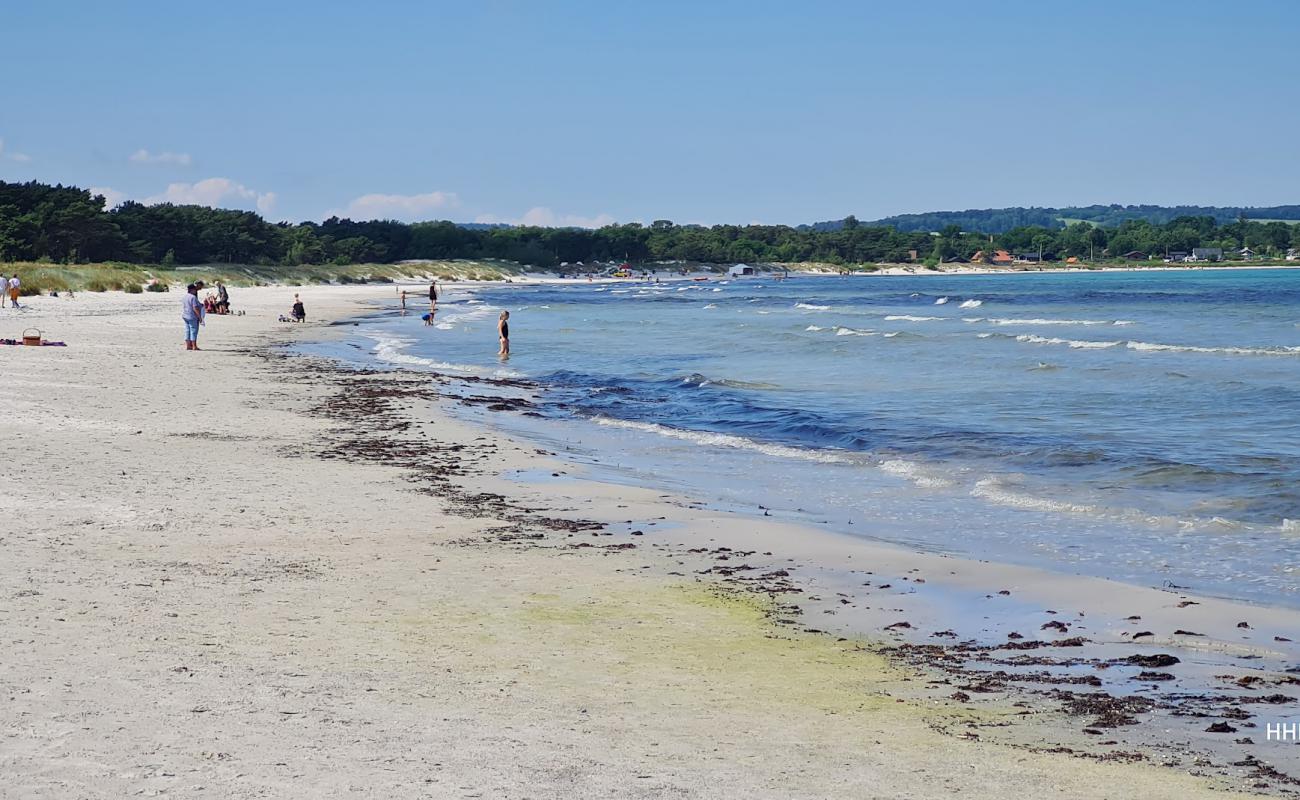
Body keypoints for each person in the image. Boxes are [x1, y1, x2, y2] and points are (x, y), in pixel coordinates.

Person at [182, 282, 204, 350]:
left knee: (187, 330)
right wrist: (200, 317)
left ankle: (188, 345)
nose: (195, 290)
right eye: (194, 289)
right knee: (194, 331)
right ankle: (194, 346)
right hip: (192, 316)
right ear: (192, 290)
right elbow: (195, 308)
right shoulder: (193, 297)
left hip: (185, 315)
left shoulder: (185, 296)